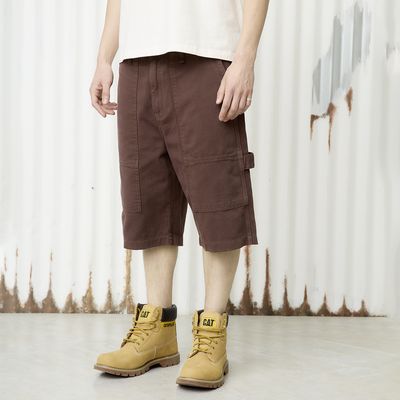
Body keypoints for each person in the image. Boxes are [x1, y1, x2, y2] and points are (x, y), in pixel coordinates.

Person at [89, 0, 269, 390]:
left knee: (217, 195)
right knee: (147, 200)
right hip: (137, 61)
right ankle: (157, 329)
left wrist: (245, 58)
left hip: (205, 53)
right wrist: (104, 58)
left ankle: (211, 334)